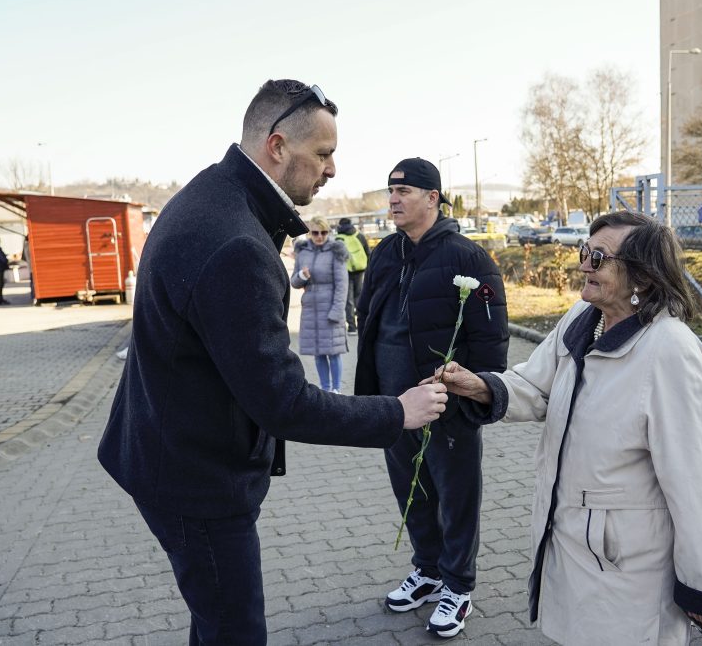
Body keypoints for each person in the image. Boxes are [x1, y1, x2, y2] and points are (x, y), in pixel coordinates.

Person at [97, 79, 448, 646]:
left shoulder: (212, 197)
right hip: (198, 482)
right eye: (324, 154)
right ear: (278, 146)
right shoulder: (234, 241)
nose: (332, 170)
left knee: (216, 622)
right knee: (236, 633)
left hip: (170, 455)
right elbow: (283, 402)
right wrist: (396, 413)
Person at [431, 211, 702, 645]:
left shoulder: (669, 349)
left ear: (644, 278)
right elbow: (536, 386)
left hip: (627, 568)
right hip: (568, 544)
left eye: (599, 257)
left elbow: (698, 482)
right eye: (584, 252)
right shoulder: (583, 317)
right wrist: (478, 385)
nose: (584, 265)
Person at [354, 157, 509, 639]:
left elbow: (491, 339)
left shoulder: (468, 258)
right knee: (411, 492)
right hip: (394, 405)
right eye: (390, 191)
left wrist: (475, 393)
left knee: (455, 496)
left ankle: (458, 586)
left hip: (446, 404)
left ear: (432, 198)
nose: (393, 199)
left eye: (404, 191)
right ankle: (427, 570)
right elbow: (370, 321)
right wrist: (373, 396)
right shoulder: (384, 253)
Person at [291, 216, 349, 393]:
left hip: (330, 307)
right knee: (318, 352)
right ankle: (325, 389)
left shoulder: (336, 251)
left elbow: (342, 284)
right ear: (310, 233)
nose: (320, 236)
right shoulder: (302, 252)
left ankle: (336, 389)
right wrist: (302, 275)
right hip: (311, 310)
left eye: (324, 232)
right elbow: (294, 282)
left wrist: (337, 311)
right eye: (316, 232)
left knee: (333, 352)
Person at [335, 217, 369, 333]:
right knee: (359, 296)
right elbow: (367, 253)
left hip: (345, 271)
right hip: (360, 270)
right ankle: (362, 323)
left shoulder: (338, 238)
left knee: (348, 299)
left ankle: (352, 326)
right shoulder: (359, 236)